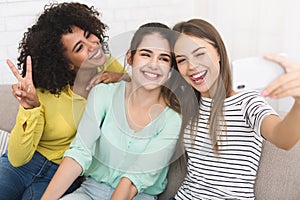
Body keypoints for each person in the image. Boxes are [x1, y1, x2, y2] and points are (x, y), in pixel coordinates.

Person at [0, 2, 127, 200]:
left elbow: (141, 92)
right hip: (23, 166)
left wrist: (120, 78)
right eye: (80, 48)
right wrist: (30, 109)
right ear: (67, 63)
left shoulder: (107, 65)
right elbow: (17, 158)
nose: (93, 46)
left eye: (88, 35)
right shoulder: (43, 90)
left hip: (61, 173)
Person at [41, 22, 182, 200]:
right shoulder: (103, 94)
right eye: (146, 54)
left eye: (164, 58)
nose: (154, 65)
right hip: (90, 192)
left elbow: (134, 180)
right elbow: (79, 153)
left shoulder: (173, 118)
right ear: (130, 58)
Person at [171, 18, 300, 199]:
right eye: (182, 60)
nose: (191, 66)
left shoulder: (247, 102)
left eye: (200, 54)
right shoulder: (187, 103)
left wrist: (299, 101)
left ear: (218, 52)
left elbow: (283, 139)